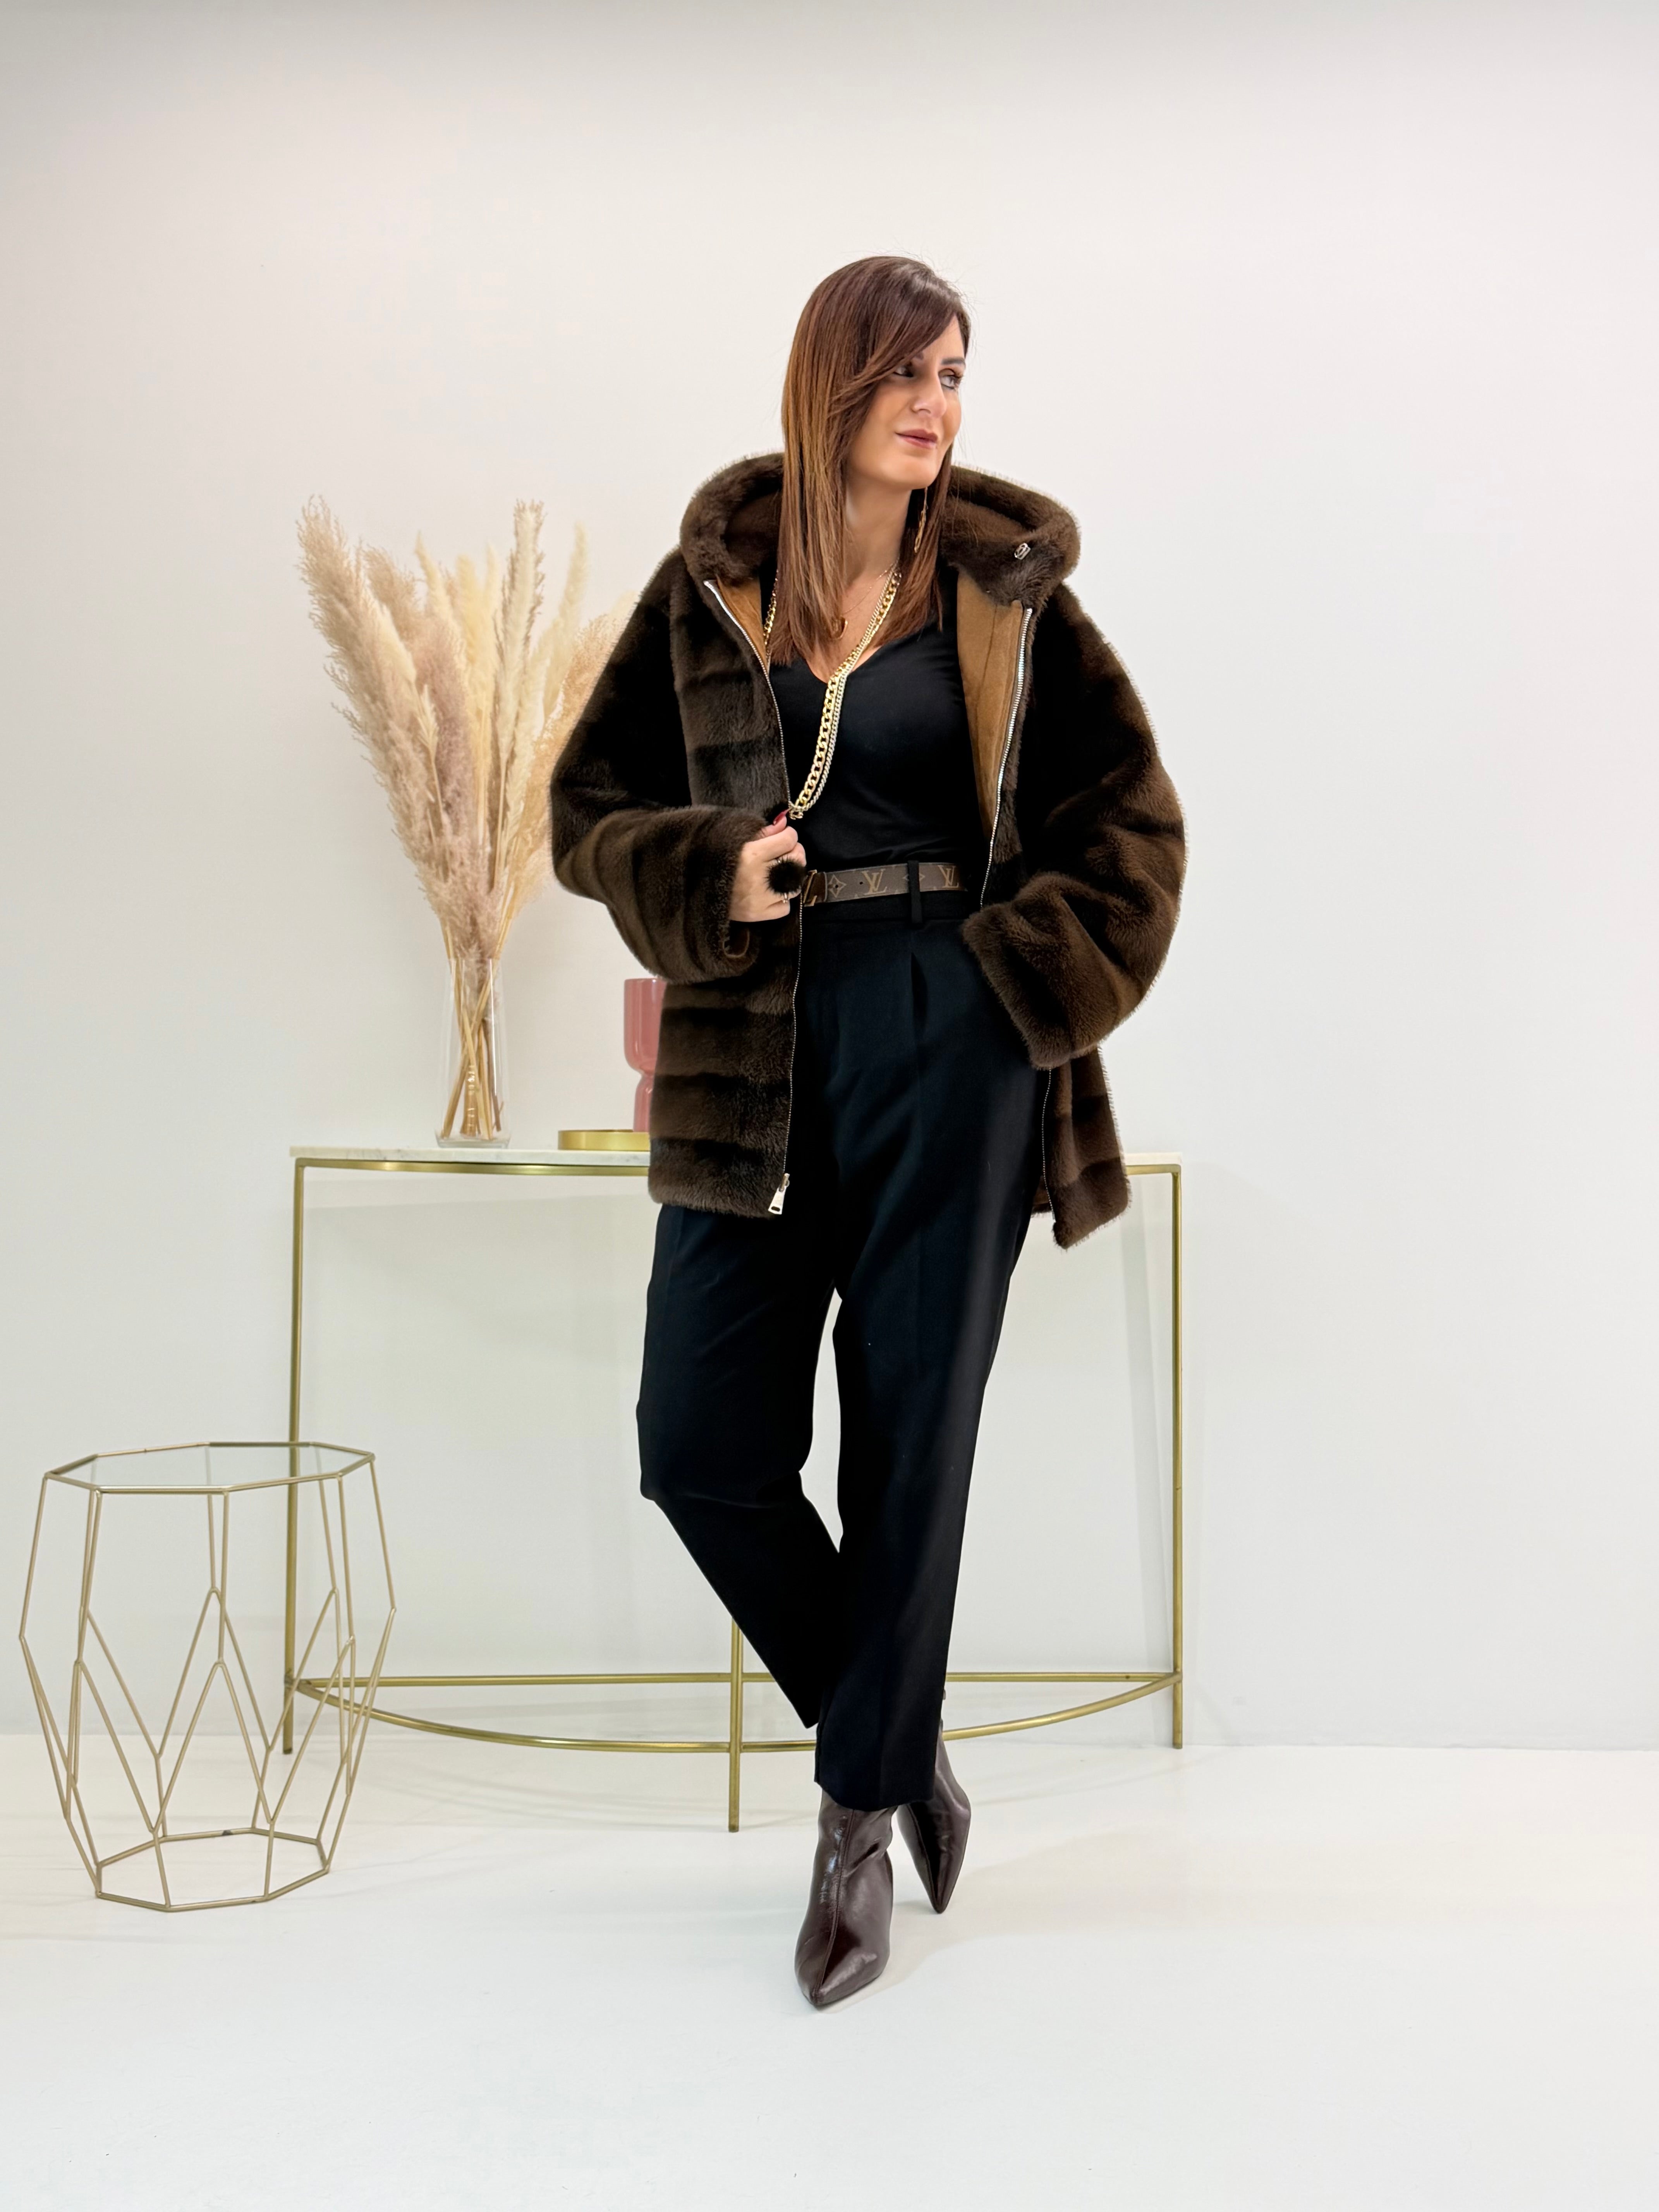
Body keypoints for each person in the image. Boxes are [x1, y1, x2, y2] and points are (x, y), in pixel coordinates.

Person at [549, 255, 1185, 2007]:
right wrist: (709, 869)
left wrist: (1016, 986)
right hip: (752, 1034)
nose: (936, 405)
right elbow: (587, 808)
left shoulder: (1002, 591)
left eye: (956, 375)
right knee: (698, 1443)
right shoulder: (712, 588)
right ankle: (892, 1736)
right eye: (906, 372)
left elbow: (1132, 825)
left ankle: (849, 1829)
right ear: (829, 384)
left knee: (912, 1433)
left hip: (950, 1028)